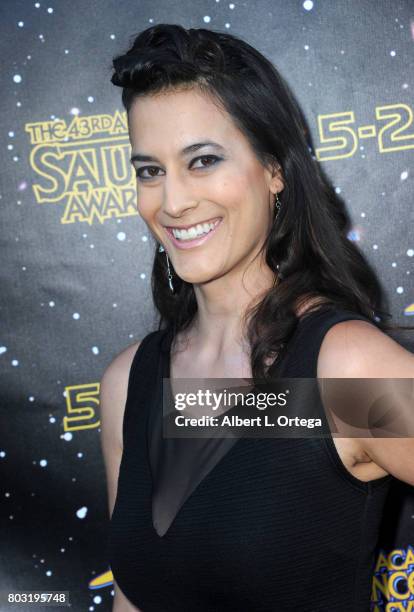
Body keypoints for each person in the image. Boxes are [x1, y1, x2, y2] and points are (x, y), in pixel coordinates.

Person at [99, 24, 414, 612]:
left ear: (275, 170)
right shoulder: (129, 385)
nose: (172, 202)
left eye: (203, 160)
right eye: (150, 170)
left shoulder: (343, 369)